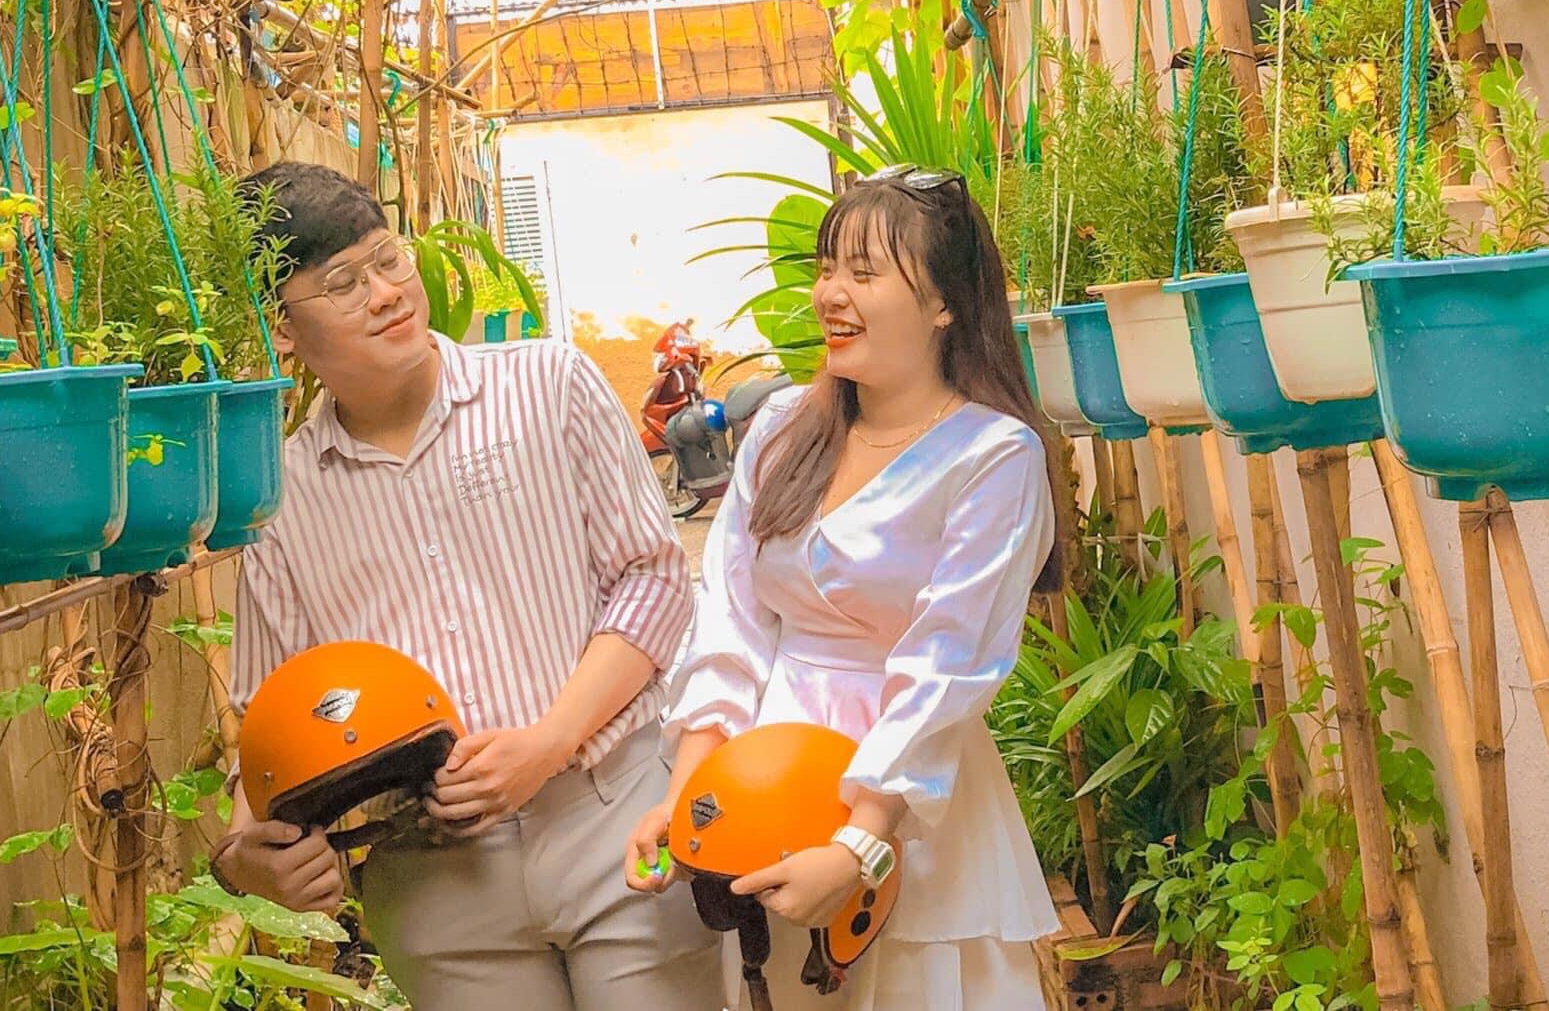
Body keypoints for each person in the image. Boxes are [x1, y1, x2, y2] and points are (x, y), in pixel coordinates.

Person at [211, 160, 721, 1011]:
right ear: (281, 327)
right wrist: (245, 858)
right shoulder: (278, 497)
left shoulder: (550, 385)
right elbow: (271, 714)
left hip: (615, 817)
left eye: (388, 258)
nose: (386, 293)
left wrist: (549, 741)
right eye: (342, 282)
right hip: (435, 880)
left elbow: (654, 579)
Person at [626, 165, 1061, 1010]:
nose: (832, 293)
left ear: (945, 302)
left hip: (914, 805)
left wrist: (860, 845)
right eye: (828, 268)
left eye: (864, 272)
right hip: (767, 795)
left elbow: (947, 664)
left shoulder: (995, 456)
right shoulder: (783, 427)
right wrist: (688, 798)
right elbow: (732, 621)